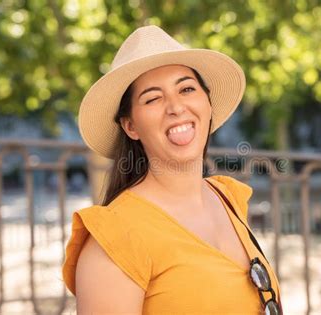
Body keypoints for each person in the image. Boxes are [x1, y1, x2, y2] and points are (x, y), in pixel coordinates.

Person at [62, 25, 282, 314]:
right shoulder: (116, 237)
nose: (176, 107)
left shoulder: (227, 198)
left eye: (187, 89)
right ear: (131, 126)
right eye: (153, 98)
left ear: (207, 101)